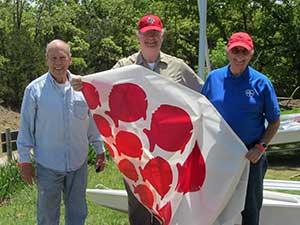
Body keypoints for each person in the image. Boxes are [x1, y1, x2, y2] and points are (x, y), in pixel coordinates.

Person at [71, 14, 204, 225]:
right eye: (146, 34)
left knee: (170, 204)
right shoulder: (125, 66)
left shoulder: (178, 67)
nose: (151, 38)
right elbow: (102, 86)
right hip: (135, 152)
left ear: (162, 36)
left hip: (169, 153)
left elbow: (204, 95)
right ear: (138, 37)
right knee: (139, 207)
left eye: (155, 34)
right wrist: (84, 83)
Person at [16, 39, 106, 225]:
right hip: (48, 165)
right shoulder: (34, 90)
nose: (58, 63)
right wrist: (24, 161)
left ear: (70, 60)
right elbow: (26, 128)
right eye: (53, 58)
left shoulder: (84, 88)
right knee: (47, 217)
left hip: (78, 164)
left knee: (77, 214)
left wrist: (99, 150)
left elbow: (92, 123)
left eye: (62, 57)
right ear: (46, 60)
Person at [201, 32, 280, 225]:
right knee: (216, 204)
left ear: (251, 54)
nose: (239, 56)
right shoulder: (213, 78)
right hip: (219, 155)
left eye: (244, 51)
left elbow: (275, 121)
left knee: (250, 208)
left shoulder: (261, 83)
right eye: (235, 50)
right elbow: (201, 112)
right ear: (228, 51)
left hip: (251, 156)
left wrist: (260, 147)